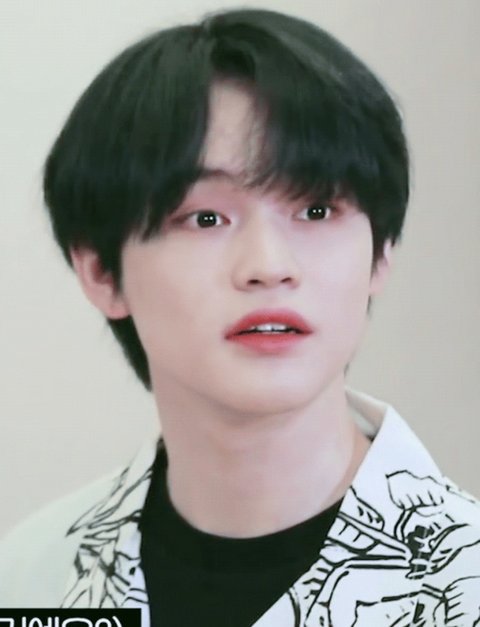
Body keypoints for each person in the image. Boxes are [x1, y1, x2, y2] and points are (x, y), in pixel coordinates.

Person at [1, 7, 479, 626]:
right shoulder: (31, 578)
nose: (269, 266)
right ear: (101, 272)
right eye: (206, 218)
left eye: (316, 211)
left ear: (380, 254)